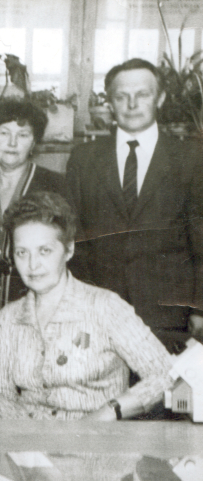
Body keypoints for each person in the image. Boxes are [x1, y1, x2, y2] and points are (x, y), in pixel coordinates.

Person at [0, 191, 173, 420]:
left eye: (45, 251)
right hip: (30, 445)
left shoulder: (105, 307)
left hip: (100, 443)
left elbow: (166, 374)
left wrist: (110, 411)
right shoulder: (8, 318)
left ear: (69, 250)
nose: (33, 265)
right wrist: (30, 437)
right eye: (22, 253)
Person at [66, 58, 203, 354]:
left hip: (169, 314)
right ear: (110, 102)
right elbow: (74, 239)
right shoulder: (84, 159)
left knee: (163, 397)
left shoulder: (190, 158)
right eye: (121, 96)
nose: (131, 104)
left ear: (161, 98)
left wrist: (199, 309)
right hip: (100, 309)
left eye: (142, 94)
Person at [0, 98, 66, 308]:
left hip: (37, 301)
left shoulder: (57, 186)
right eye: (4, 133)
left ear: (33, 143)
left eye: (22, 135)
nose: (12, 143)